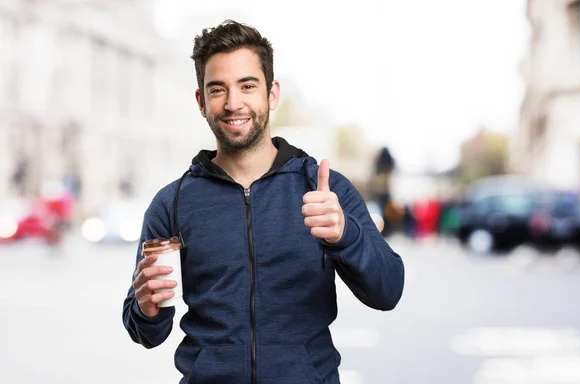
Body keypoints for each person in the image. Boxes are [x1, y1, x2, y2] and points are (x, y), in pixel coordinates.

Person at [122, 19, 405, 384]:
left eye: (247, 86)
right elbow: (146, 331)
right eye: (217, 89)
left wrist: (345, 235)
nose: (233, 103)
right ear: (201, 101)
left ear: (271, 94)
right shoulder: (172, 203)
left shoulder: (324, 190)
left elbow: (389, 291)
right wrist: (146, 309)